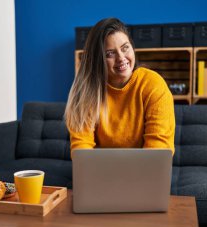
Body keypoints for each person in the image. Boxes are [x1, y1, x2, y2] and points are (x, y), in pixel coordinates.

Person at [65, 17, 175, 155]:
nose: (121, 58)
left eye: (125, 48)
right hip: (101, 172)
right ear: (98, 59)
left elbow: (158, 149)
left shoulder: (153, 85)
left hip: (145, 173)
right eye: (110, 53)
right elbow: (81, 149)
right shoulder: (86, 92)